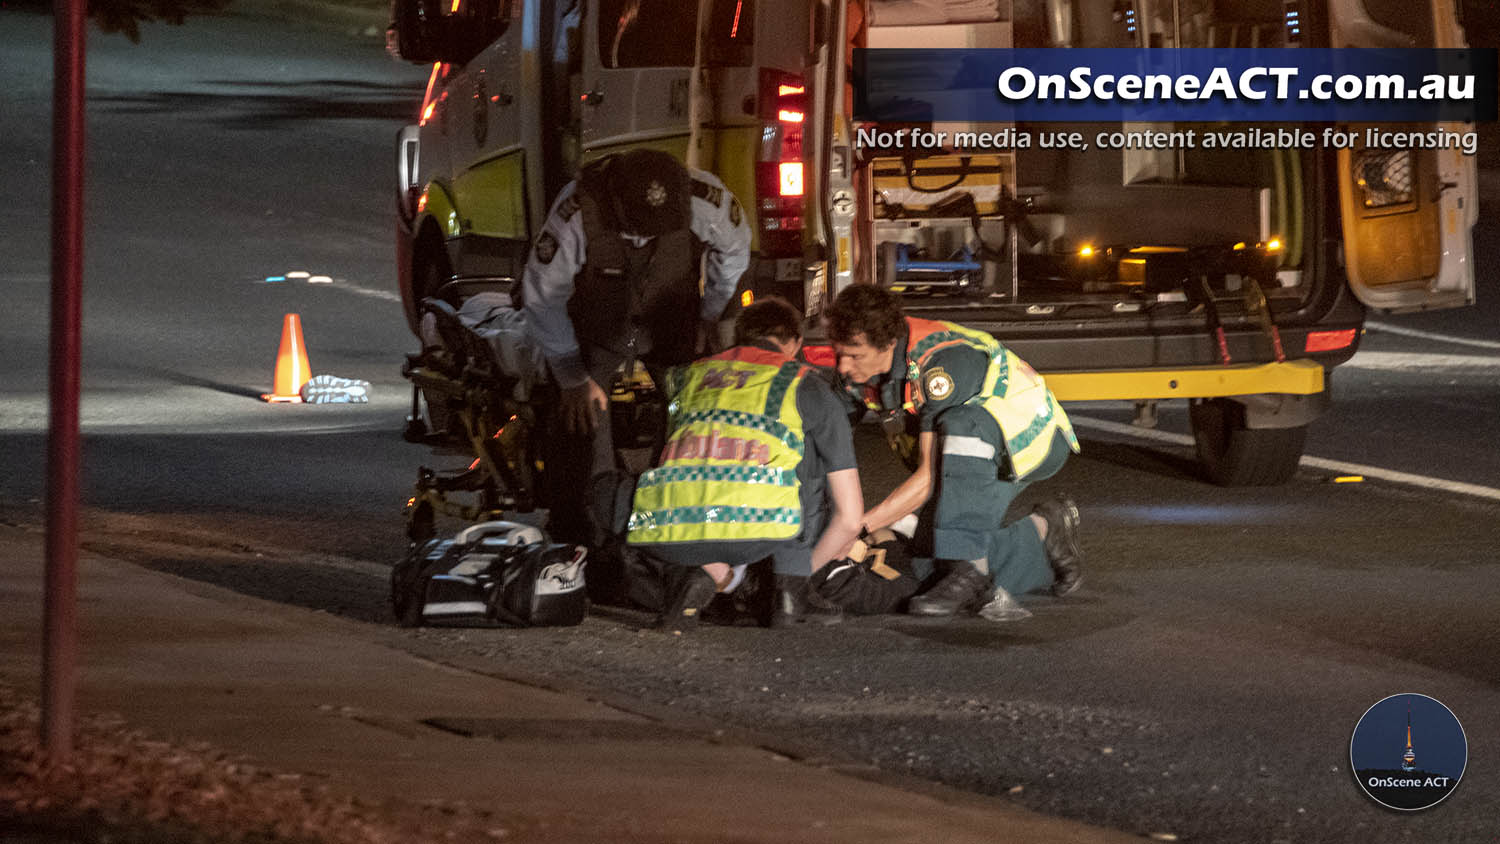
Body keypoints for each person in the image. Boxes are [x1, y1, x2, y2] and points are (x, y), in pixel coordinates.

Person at [521, 149, 752, 549]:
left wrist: (713, 318)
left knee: (693, 411)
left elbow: (733, 253)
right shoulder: (578, 208)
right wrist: (572, 375)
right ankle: (582, 529)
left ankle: (678, 521)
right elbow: (543, 296)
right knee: (580, 421)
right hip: (598, 325)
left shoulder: (703, 198)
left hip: (672, 316)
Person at [823, 284, 1083, 619]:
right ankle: (1043, 533)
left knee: (962, 426)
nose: (842, 366)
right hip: (968, 461)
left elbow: (927, 479)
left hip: (1027, 442)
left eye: (854, 355)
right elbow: (824, 448)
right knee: (927, 567)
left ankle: (971, 569)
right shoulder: (859, 369)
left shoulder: (939, 364)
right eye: (838, 353)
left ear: (888, 343)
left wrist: (856, 528)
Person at [627, 298, 865, 630]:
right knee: (802, 448)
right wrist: (803, 573)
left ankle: (703, 573)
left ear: (737, 336)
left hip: (669, 531)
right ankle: (790, 593)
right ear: (795, 343)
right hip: (761, 531)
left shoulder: (683, 378)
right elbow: (851, 518)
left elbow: (662, 466)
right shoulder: (804, 384)